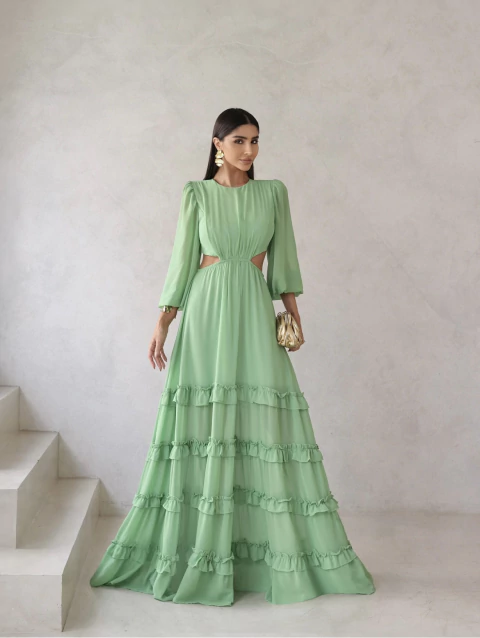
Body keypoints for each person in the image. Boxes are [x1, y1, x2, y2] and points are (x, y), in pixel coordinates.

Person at [89, 108, 376, 606]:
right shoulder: (196, 194)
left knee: (264, 421)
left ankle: (267, 556)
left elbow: (283, 259)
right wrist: (163, 321)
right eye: (239, 141)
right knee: (204, 422)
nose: (249, 150)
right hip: (205, 311)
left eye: (255, 141)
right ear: (217, 144)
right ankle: (200, 553)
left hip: (253, 307)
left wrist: (292, 314)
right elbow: (183, 260)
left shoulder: (273, 193)